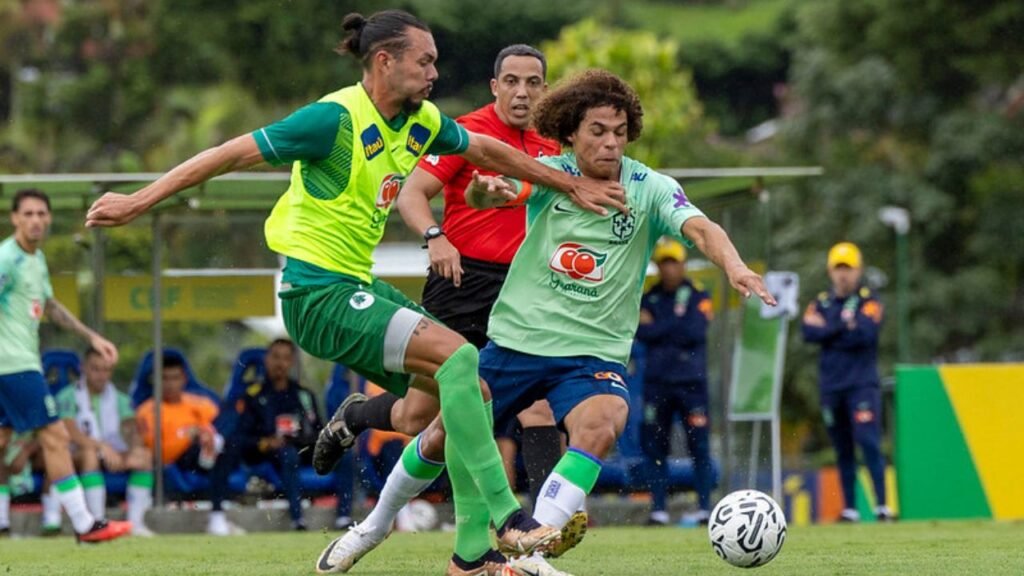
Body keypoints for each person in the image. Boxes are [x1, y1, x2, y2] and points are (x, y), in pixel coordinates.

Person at [85, 10, 626, 575]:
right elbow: (229, 153)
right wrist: (138, 200)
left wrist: (570, 184)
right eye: (425, 62)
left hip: (357, 285)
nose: (434, 73)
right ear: (385, 62)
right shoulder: (333, 118)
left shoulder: (422, 121)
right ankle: (509, 519)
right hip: (315, 293)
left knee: (466, 395)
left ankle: (470, 555)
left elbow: (487, 152)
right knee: (461, 359)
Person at [326, 69, 776, 576]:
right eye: (597, 131)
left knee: (604, 421)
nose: (610, 143)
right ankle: (374, 525)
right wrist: (486, 193)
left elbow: (701, 227)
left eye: (619, 132)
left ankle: (529, 553)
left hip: (592, 352)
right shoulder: (546, 173)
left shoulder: (649, 187)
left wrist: (735, 266)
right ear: (570, 133)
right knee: (438, 436)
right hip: (518, 342)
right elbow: (488, 196)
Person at [325, 43, 569, 515]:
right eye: (512, 82)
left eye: (533, 83)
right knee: (417, 417)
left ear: (545, 89)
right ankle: (356, 415)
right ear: (495, 87)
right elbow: (412, 194)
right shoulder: (467, 133)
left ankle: (544, 527)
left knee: (537, 406)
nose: (522, 92)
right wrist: (435, 237)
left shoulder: (553, 144)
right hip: (461, 281)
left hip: (523, 289)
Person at [0, 188, 131, 543]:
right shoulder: (7, 259)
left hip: (16, 364)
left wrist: (92, 338)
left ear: (49, 218)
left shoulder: (36, 259)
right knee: (55, 435)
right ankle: (84, 523)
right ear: (14, 218)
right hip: (14, 365)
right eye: (28, 214)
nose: (35, 220)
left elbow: (50, 307)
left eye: (41, 214)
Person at [802, 242, 892, 522]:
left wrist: (828, 329)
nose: (843, 275)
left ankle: (882, 506)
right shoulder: (820, 301)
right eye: (838, 268)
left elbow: (865, 334)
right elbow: (808, 333)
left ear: (858, 270)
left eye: (848, 268)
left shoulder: (869, 300)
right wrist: (844, 326)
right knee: (842, 447)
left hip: (862, 384)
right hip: (831, 386)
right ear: (830, 271)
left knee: (868, 442)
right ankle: (850, 509)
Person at [635, 240, 714, 527]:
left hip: (692, 384)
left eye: (673, 262)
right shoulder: (649, 297)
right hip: (657, 384)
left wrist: (659, 325)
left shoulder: (698, 294)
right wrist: (673, 324)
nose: (669, 268)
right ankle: (659, 509)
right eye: (664, 263)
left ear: (683, 265)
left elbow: (695, 331)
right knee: (655, 447)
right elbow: (641, 332)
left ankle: (704, 508)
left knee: (699, 446)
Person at [218, 338, 322, 531]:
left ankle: (345, 518)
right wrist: (265, 442)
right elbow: (240, 438)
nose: (280, 363)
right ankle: (297, 519)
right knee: (288, 454)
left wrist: (301, 440)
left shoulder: (304, 395)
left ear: (291, 362)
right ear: (266, 360)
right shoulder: (253, 396)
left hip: (303, 448)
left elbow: (318, 432)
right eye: (275, 357)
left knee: (346, 455)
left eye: (285, 358)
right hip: (269, 454)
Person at [55, 347, 155, 536]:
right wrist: (100, 446)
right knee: (90, 454)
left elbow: (130, 429)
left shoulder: (120, 399)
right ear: (83, 368)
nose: (101, 375)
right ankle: (97, 523)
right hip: (77, 454)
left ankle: (136, 523)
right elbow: (71, 433)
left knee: (143, 456)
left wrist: (134, 448)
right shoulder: (67, 396)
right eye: (95, 369)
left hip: (110, 453)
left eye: (106, 370)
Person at [135, 356, 240, 535]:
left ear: (184, 379)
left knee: (230, 417)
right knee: (215, 450)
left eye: (174, 378)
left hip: (209, 452)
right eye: (165, 378)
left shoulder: (200, 403)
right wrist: (189, 436)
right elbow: (159, 453)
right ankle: (217, 516)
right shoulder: (148, 410)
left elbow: (221, 424)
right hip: (180, 459)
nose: (170, 384)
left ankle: (212, 447)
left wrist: (206, 434)